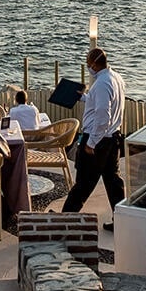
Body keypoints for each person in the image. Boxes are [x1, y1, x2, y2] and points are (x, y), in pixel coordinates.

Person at [63, 47, 126, 231]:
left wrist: (91, 143)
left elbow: (102, 116)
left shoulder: (102, 84)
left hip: (98, 140)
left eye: (87, 63)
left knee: (83, 182)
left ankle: (65, 219)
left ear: (94, 63)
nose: (87, 66)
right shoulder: (116, 78)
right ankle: (121, 221)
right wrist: (85, 98)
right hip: (113, 138)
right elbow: (102, 103)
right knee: (114, 182)